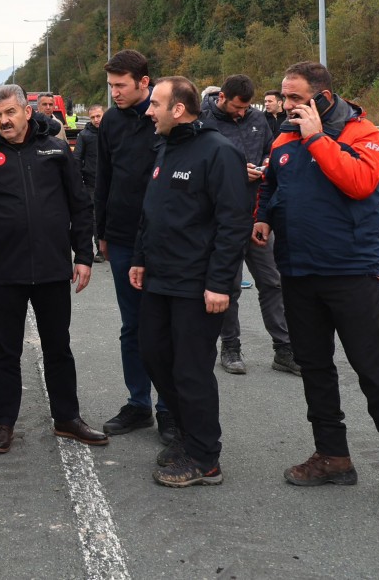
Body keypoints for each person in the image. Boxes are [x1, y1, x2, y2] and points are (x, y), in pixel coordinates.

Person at [254, 61, 379, 509]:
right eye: (283, 96)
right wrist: (263, 217)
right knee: (315, 367)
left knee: (373, 370)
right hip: (298, 271)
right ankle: (333, 457)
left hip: (350, 271)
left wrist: (317, 138)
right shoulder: (285, 136)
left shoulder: (360, 132)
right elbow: (272, 183)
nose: (286, 105)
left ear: (322, 96)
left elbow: (360, 183)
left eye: (294, 97)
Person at [0, 85, 107, 455]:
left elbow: (79, 206)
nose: (4, 120)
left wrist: (83, 256)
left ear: (27, 111)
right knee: (6, 351)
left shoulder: (56, 151)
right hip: (3, 272)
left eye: (10, 112)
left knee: (59, 347)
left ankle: (67, 419)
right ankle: (4, 423)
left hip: (52, 269)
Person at [129, 77, 246, 488]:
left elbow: (233, 224)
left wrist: (219, 283)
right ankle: (184, 433)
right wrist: (141, 258)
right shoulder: (165, 148)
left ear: (178, 109)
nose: (148, 110)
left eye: (155, 104)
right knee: (154, 354)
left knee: (191, 369)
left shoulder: (219, 152)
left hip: (198, 285)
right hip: (161, 278)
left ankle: (204, 457)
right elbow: (152, 211)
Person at [95, 50, 174, 442]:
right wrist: (102, 232)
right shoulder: (110, 121)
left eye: (120, 85)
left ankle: (169, 408)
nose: (114, 93)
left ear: (145, 82)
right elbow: (103, 178)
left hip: (164, 239)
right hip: (123, 236)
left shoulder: (166, 116)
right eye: (111, 86)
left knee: (165, 325)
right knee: (133, 326)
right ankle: (139, 404)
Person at [199, 75, 296, 376]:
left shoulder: (257, 118)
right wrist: (236, 171)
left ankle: (284, 349)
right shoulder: (203, 123)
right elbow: (198, 167)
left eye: (246, 107)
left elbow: (271, 148)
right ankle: (230, 348)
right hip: (222, 220)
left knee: (272, 281)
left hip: (257, 216)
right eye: (237, 106)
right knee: (229, 286)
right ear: (222, 97)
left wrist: (267, 163)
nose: (242, 112)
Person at [73, 104, 106, 263]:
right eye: (93, 117)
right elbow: (77, 159)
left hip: (111, 181)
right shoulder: (84, 136)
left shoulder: (111, 133)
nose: (96, 119)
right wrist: (78, 181)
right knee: (95, 216)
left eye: (98, 116)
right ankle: (99, 248)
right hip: (92, 183)